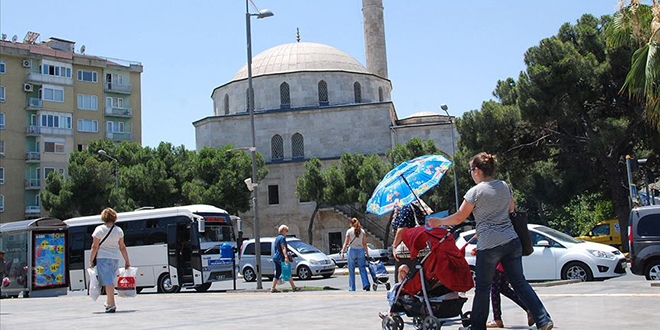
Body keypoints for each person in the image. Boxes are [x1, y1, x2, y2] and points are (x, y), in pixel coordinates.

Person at [427, 152, 553, 330]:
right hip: (511, 240)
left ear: (477, 171)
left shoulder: (475, 192)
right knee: (519, 283)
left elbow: (459, 218)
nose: (471, 173)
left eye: (471, 170)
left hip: (489, 245)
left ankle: (477, 327)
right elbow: (511, 209)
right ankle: (543, 319)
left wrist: (439, 222)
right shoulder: (504, 186)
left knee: (483, 287)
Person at [89, 207, 131, 313]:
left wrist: (91, 260)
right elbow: (122, 247)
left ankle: (112, 304)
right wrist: (127, 260)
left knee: (108, 282)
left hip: (102, 258)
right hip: (114, 258)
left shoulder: (99, 229)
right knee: (110, 281)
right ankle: (109, 302)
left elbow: (94, 247)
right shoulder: (119, 230)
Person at [340, 218, 371, 291]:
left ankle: (352, 287)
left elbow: (346, 242)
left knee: (351, 270)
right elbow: (364, 244)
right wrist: (367, 253)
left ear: (351, 223)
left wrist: (342, 251)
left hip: (352, 251)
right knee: (362, 268)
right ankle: (366, 283)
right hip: (360, 250)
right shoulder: (362, 231)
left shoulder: (349, 231)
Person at [270, 225, 301, 293]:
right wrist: (286, 257)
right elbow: (283, 248)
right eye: (286, 230)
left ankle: (272, 288)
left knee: (277, 273)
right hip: (281, 257)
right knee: (287, 271)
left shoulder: (277, 238)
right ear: (283, 230)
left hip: (276, 257)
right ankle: (294, 287)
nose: (287, 232)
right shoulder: (282, 238)